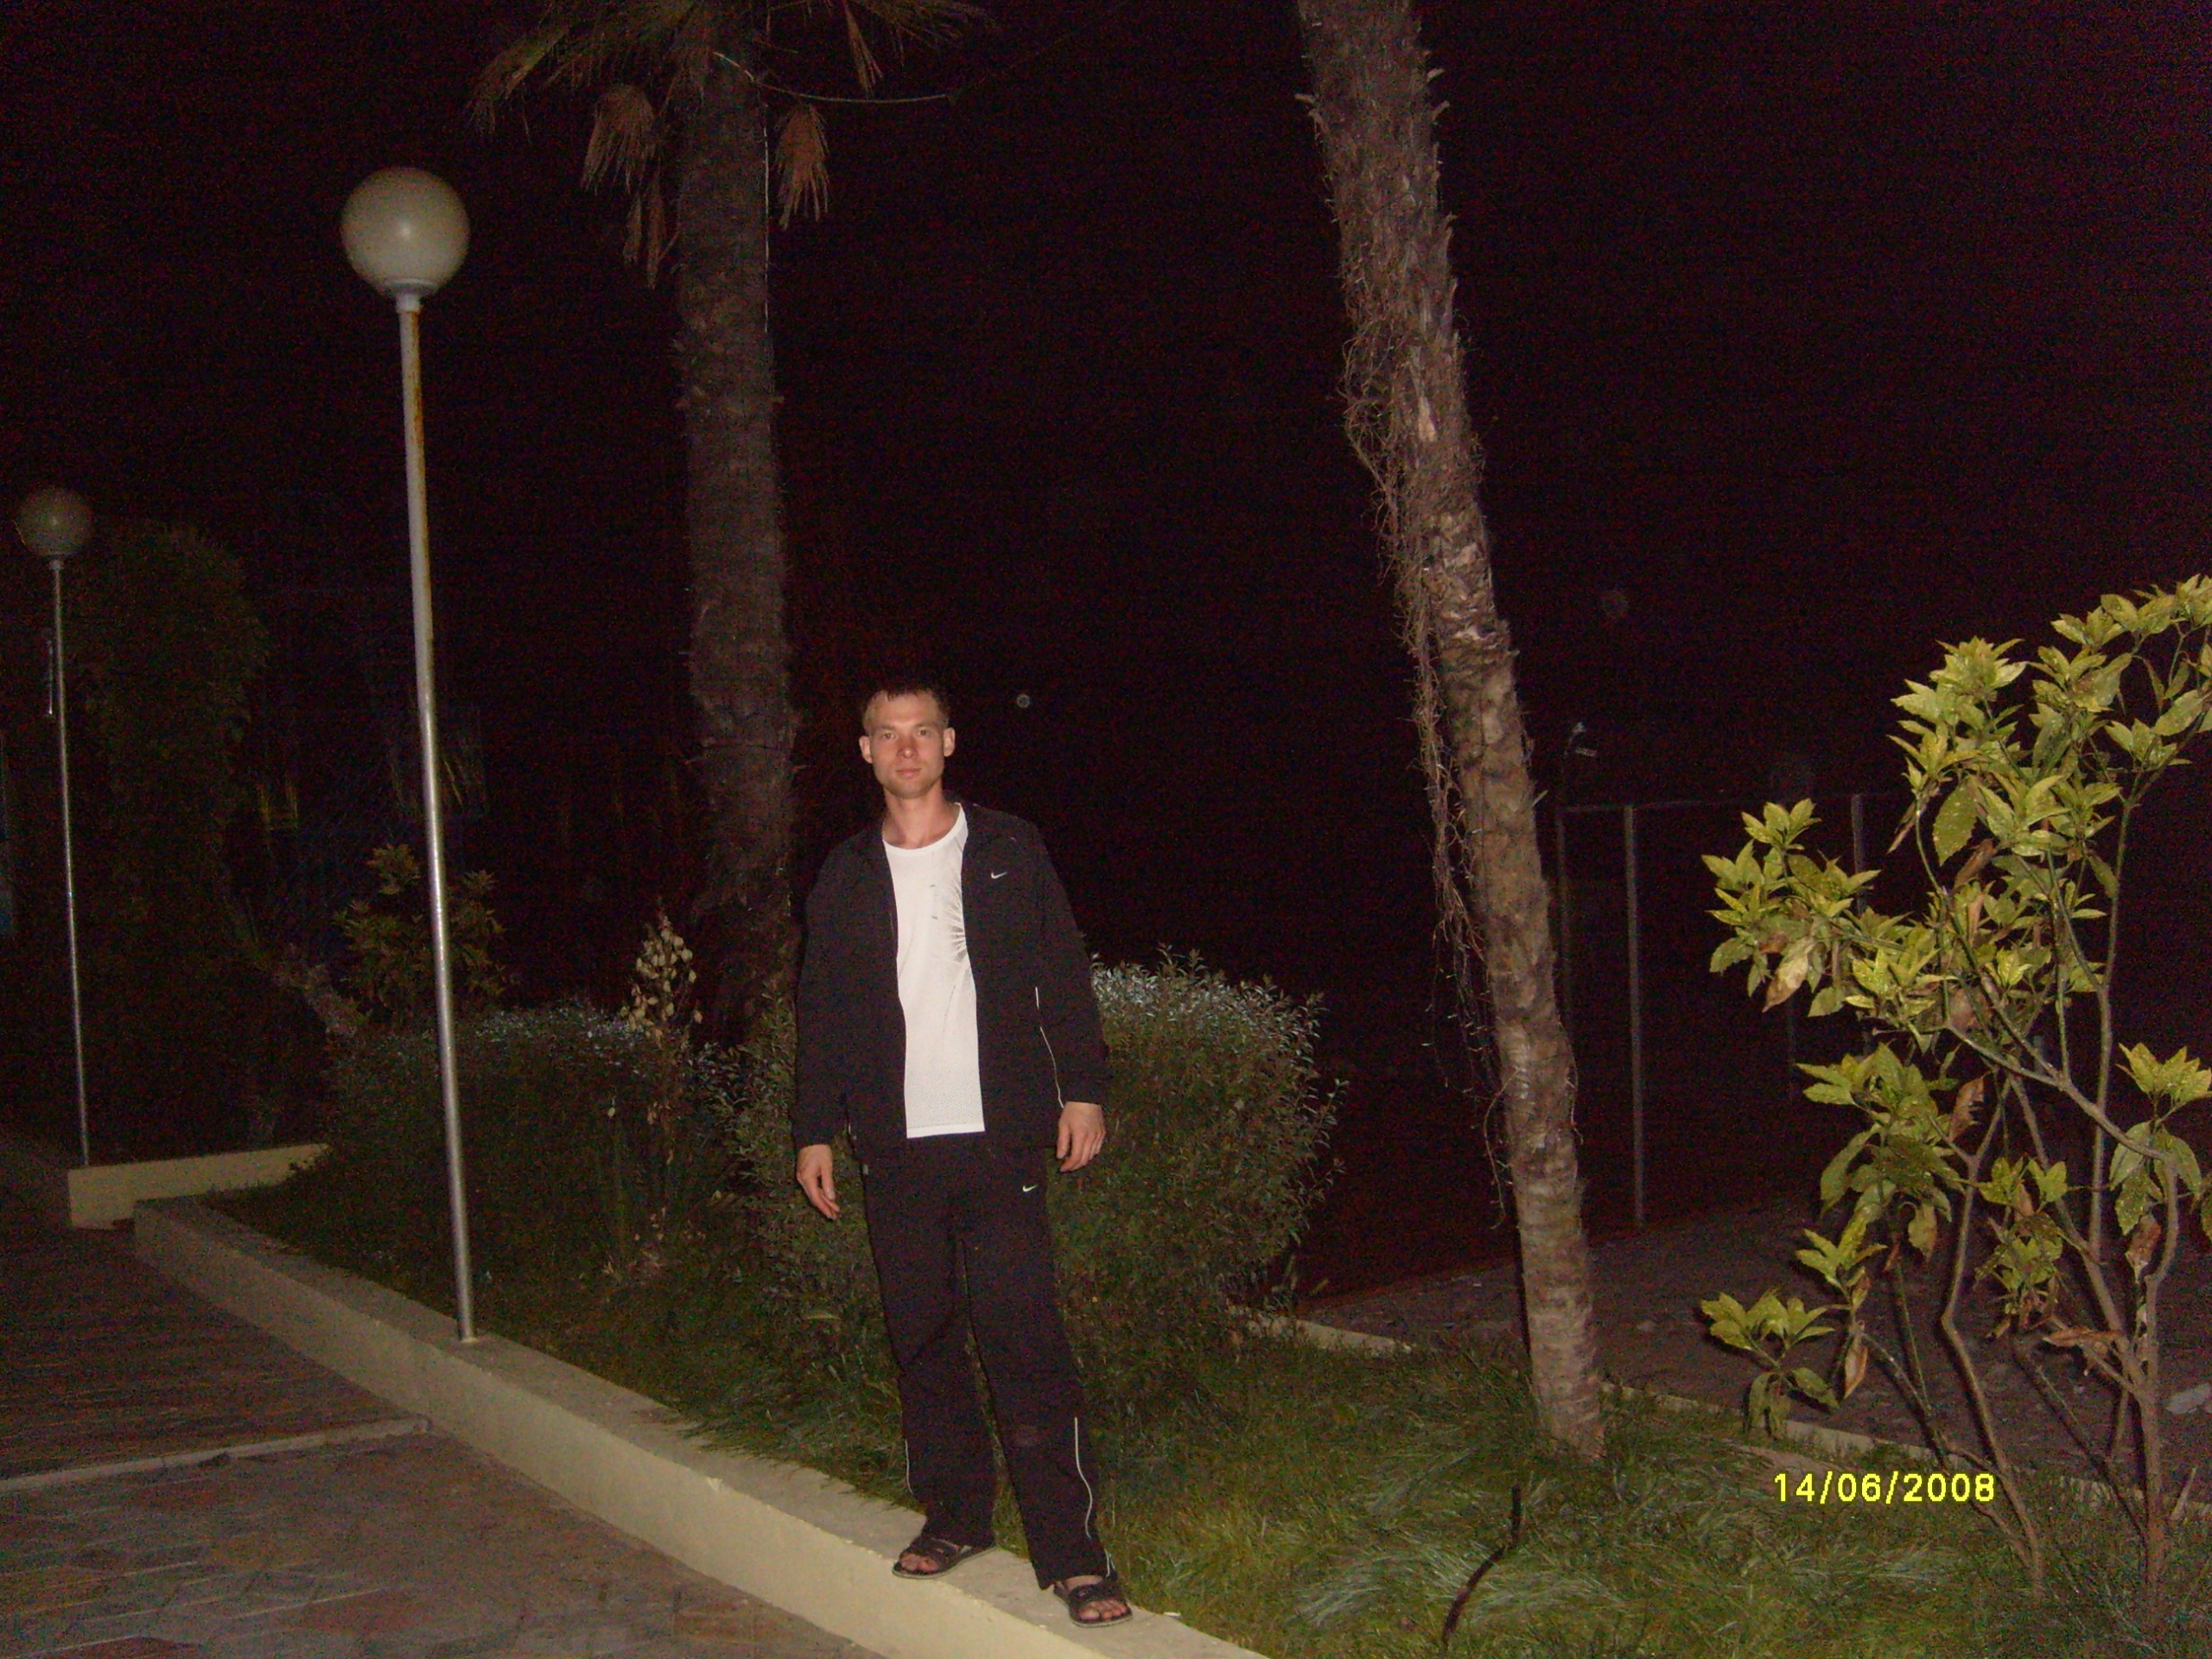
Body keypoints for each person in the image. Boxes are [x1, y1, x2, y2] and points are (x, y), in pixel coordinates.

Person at [791, 678, 1131, 1628]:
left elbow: (1063, 972)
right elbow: (821, 1008)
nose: (906, 748)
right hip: (895, 1144)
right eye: (887, 734)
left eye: (922, 732)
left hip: (1000, 1136)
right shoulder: (845, 874)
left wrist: (1083, 1088)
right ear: (866, 751)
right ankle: (956, 1516)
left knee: (1024, 1337)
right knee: (925, 1339)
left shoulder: (1008, 849)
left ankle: (1073, 1554)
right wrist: (813, 1127)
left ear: (949, 743)